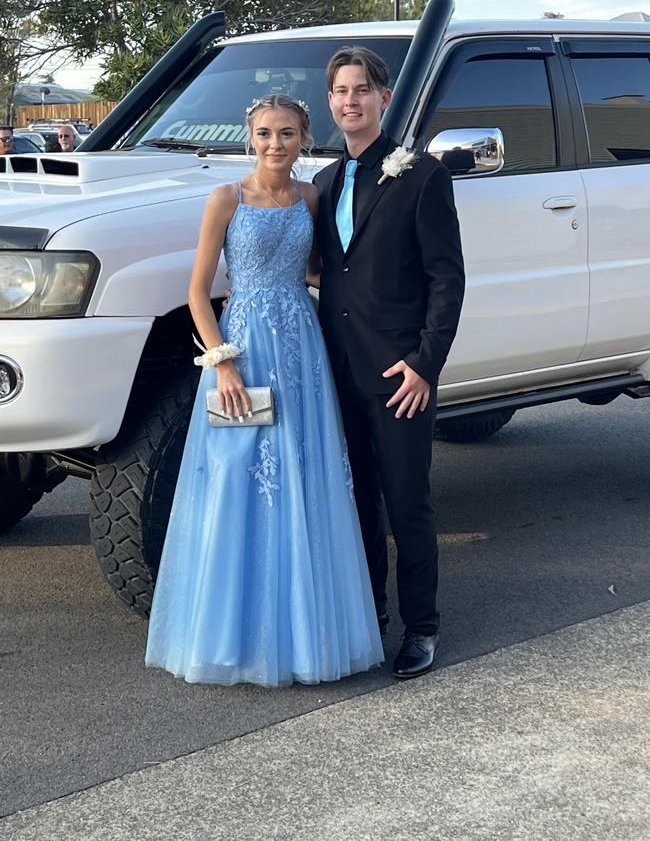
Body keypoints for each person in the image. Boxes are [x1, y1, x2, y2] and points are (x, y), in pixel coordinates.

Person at [145, 94, 383, 687]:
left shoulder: (309, 197)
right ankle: (229, 634)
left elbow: (320, 270)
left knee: (304, 475)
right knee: (238, 473)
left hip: (301, 351)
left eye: (286, 134)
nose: (274, 145)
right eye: (263, 134)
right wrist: (221, 363)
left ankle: (305, 634)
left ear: (304, 137)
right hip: (245, 351)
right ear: (249, 137)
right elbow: (199, 291)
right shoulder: (227, 198)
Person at [313, 47, 465, 680]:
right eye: (340, 91)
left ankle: (421, 628)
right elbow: (326, 272)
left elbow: (446, 279)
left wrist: (424, 365)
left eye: (362, 90)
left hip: (400, 374)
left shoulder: (421, 176)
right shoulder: (321, 183)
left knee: (408, 504)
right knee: (358, 506)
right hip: (337, 373)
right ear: (330, 102)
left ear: (382, 98)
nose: (350, 101)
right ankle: (370, 618)